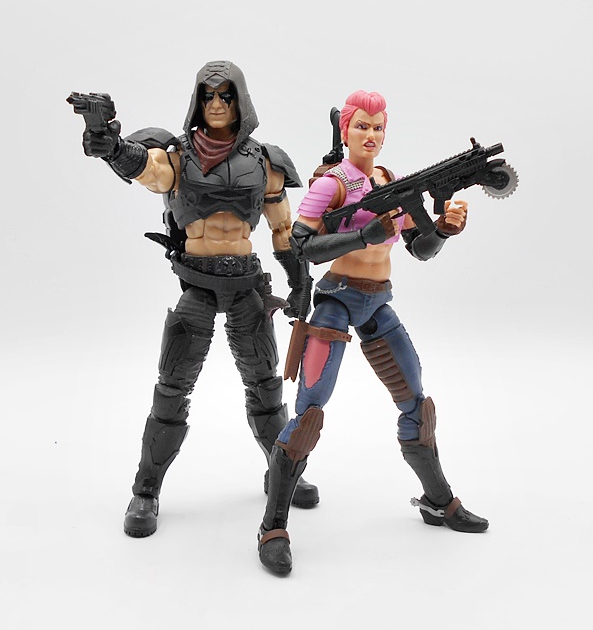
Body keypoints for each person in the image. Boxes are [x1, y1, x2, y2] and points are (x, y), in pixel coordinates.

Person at [70, 60, 318, 538]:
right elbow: (146, 169)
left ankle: (282, 471)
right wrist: (112, 147)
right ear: (197, 102)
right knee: (172, 387)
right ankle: (146, 490)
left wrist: (299, 283)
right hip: (198, 285)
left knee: (266, 386)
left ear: (240, 100)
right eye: (208, 95)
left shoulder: (265, 162)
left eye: (226, 95)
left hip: (246, 285)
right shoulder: (179, 155)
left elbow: (284, 231)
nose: (217, 103)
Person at [258, 90, 488, 574]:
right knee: (308, 414)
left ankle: (438, 501)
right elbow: (301, 247)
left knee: (416, 403)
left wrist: (443, 229)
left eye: (378, 127)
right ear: (345, 131)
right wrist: (364, 235)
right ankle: (272, 526)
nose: (371, 135)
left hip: (379, 301)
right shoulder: (331, 184)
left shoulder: (390, 181)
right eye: (362, 125)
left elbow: (419, 249)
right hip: (336, 301)